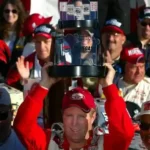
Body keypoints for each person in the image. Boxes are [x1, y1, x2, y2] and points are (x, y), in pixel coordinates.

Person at [14, 62, 134, 150]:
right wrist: (44, 84)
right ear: (62, 116)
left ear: (93, 117)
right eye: (69, 115)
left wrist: (108, 86)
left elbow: (125, 134)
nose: (74, 122)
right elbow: (22, 125)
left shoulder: (104, 145)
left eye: (82, 116)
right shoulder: (49, 142)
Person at [0, 0, 26, 66]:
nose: (10, 14)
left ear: (19, 13)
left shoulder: (25, 33)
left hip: (16, 72)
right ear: (2, 13)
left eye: (14, 11)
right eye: (7, 11)